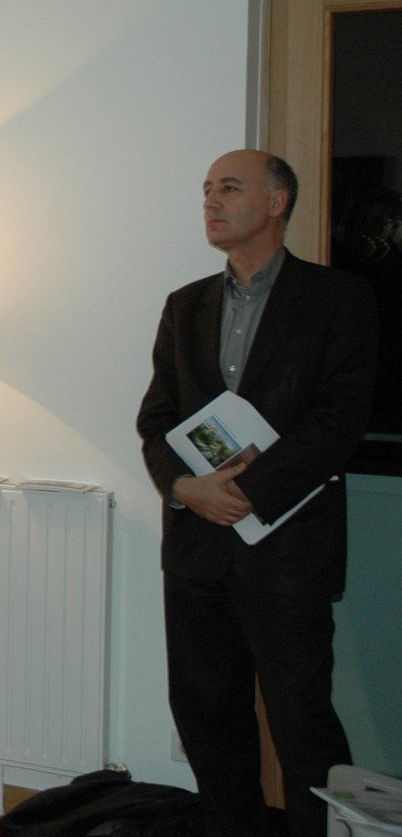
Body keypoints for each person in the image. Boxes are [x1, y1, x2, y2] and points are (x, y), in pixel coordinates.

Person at [136, 149, 377, 837]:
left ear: (276, 203)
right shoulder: (185, 305)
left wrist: (242, 493)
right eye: (206, 190)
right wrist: (186, 488)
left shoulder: (339, 299)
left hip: (288, 550)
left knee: (303, 723)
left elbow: (338, 420)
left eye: (229, 188)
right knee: (206, 718)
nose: (211, 202)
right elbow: (157, 419)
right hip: (196, 551)